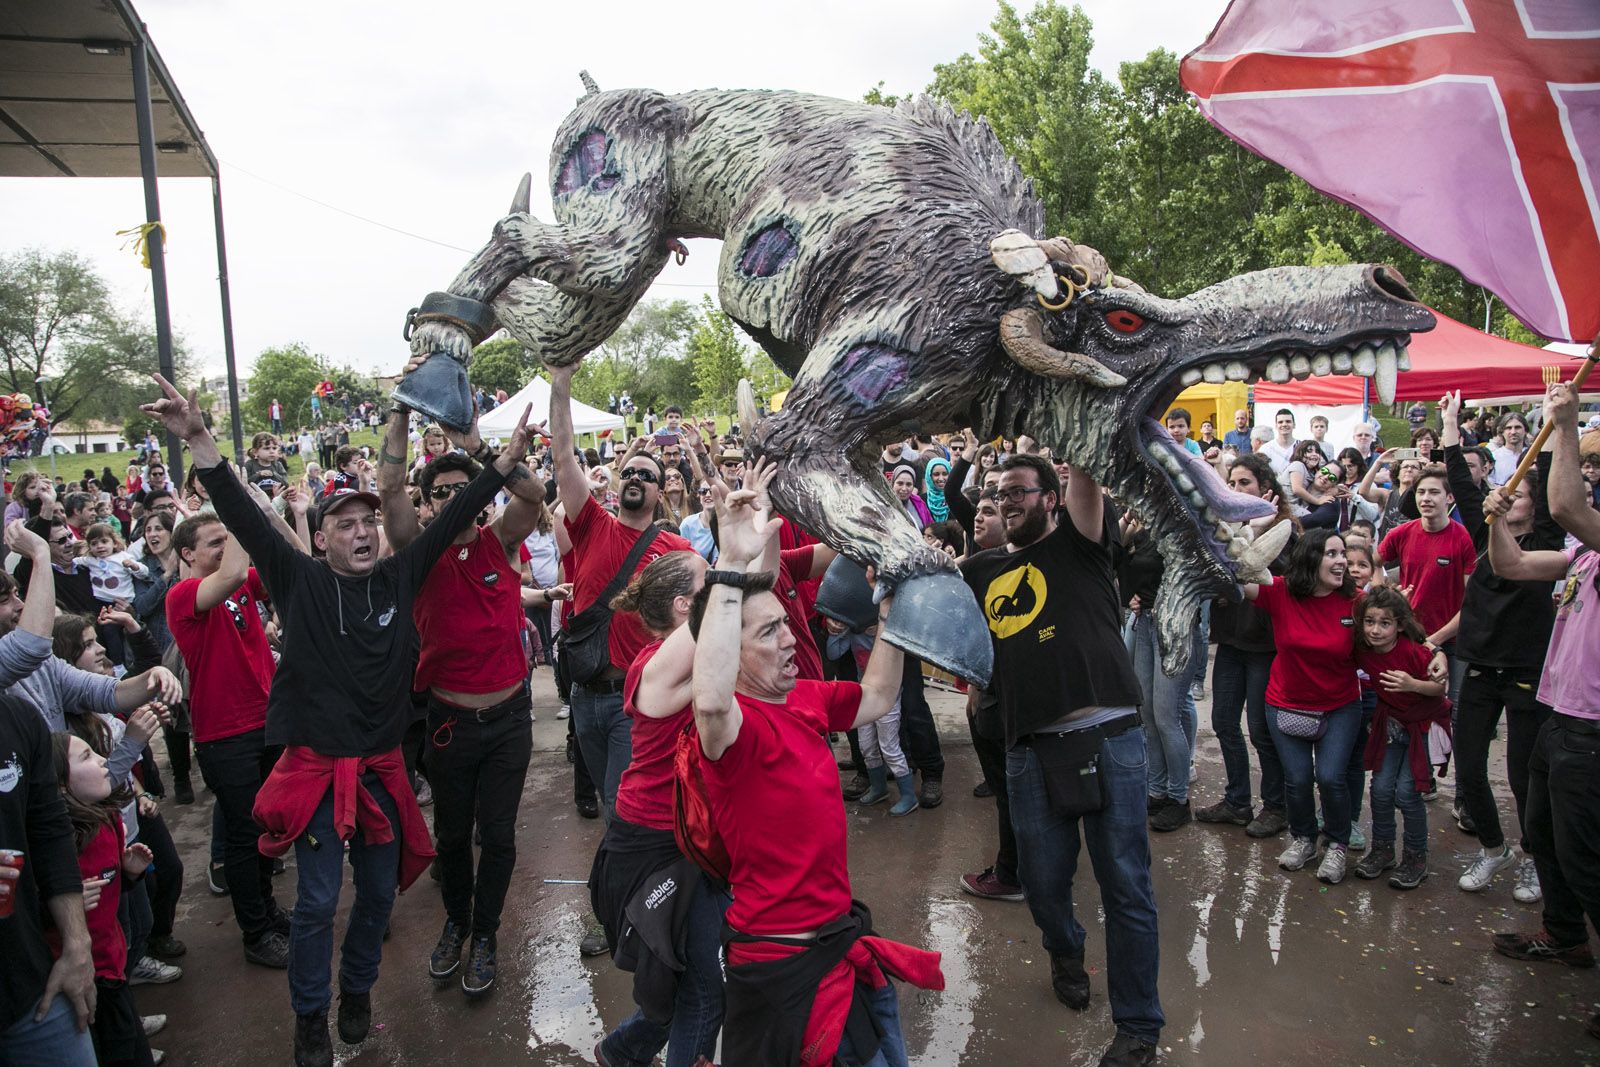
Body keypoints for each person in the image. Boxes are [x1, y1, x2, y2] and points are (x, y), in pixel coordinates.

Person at [141, 372, 535, 1067]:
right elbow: (238, 509)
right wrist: (201, 439)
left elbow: (456, 512)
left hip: (384, 770)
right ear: (321, 540)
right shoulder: (298, 582)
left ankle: (357, 993)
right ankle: (308, 1020)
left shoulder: (400, 575)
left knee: (379, 898)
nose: (359, 531)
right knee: (320, 903)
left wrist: (502, 462)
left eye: (366, 523)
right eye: (343, 524)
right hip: (317, 771)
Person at [689, 482, 942, 1067]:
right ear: (728, 647)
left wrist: (890, 616)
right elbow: (709, 701)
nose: (788, 640)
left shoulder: (805, 697)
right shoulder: (731, 730)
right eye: (767, 632)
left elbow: (877, 693)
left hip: (837, 940)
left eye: (785, 623)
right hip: (779, 968)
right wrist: (729, 563)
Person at [961, 454, 1161, 1066]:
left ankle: (1138, 1028)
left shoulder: (1082, 542)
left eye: (1018, 490)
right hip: (1030, 750)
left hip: (1112, 739)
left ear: (1051, 496)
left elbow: (1088, 472)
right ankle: (1065, 949)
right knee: (1044, 884)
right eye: (996, 492)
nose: (1004, 500)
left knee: (1126, 887)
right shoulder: (980, 570)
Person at [377, 409, 547, 1000]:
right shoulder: (418, 551)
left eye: (462, 487)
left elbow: (534, 492)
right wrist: (399, 413)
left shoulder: (502, 541)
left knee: (497, 836)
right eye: (443, 492)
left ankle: (486, 935)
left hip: (507, 722)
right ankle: (455, 923)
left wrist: (479, 449)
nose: (454, 498)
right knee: (452, 837)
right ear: (429, 504)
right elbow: (389, 488)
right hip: (448, 722)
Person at [1482, 383, 1600, 1027]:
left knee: (1586, 852)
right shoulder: (1585, 550)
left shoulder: (1593, 532)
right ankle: (1564, 933)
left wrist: (1564, 425)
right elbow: (1514, 566)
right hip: (1560, 717)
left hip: (1594, 729)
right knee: (1545, 836)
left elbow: (1563, 503)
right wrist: (1498, 518)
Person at [590, 549, 729, 1067]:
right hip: (656, 847)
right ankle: (624, 1050)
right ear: (681, 607)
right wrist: (735, 554)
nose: (718, 585)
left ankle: (621, 1050)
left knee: (684, 979)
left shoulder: (696, 653)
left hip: (692, 839)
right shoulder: (654, 667)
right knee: (705, 988)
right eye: (707, 581)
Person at [1441, 391, 1561, 897]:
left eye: (1521, 494)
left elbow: (1557, 485)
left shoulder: (1549, 544)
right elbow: (1461, 483)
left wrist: (1557, 426)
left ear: (1536, 504)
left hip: (1527, 670)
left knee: (1523, 776)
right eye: (1504, 493)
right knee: (1468, 769)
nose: (1509, 497)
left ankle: (1534, 856)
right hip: (1478, 665)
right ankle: (1494, 849)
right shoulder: (1483, 528)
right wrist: (1450, 423)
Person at [1240, 530, 1403, 884]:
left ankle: (1338, 844)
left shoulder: (1359, 602)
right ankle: (1303, 839)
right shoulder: (1280, 591)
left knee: (1331, 778)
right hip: (1285, 703)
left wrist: (1431, 655)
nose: (1342, 560)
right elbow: (1236, 579)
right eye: (1332, 553)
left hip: (1340, 706)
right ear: (1310, 558)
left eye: (1343, 553)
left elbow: (1401, 631)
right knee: (1297, 780)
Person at [166, 513, 291, 969]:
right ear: (187, 555)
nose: (224, 547)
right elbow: (236, 570)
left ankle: (269, 913)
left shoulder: (238, 584)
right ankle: (255, 933)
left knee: (263, 829)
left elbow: (288, 562)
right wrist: (234, 507)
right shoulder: (183, 596)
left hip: (267, 723)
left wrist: (279, 513)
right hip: (225, 735)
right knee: (243, 836)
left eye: (226, 538)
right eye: (213, 542)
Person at [1195, 454, 1294, 837]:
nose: (1235, 491)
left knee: (1260, 729)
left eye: (1244, 484)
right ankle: (1237, 801)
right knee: (1222, 721)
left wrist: (1256, 528)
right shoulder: (1221, 532)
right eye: (1231, 484)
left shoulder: (1284, 531)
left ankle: (1276, 805)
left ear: (1266, 490)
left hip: (1265, 647)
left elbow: (1280, 582)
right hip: (1232, 642)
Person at [52, 732, 162, 1067]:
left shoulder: (109, 819)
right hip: (86, 976)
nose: (102, 762)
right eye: (86, 757)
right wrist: (55, 905)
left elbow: (111, 889)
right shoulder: (58, 845)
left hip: (113, 966)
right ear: (59, 785)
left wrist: (129, 873)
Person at [1350, 586, 1450, 888]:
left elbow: (1440, 690)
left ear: (1400, 625)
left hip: (1423, 726)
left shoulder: (1414, 651)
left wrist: (1412, 684)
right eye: (1370, 622)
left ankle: (1416, 857)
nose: (1376, 630)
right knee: (1380, 790)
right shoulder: (1363, 650)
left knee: (1407, 793)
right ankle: (1382, 849)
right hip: (1391, 724)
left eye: (1385, 623)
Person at [957, 483, 1026, 901]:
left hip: (1014, 704)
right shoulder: (976, 567)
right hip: (987, 696)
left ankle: (1012, 875)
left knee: (1014, 793)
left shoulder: (1045, 563)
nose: (981, 517)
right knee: (1008, 792)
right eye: (979, 510)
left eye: (992, 511)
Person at [1489, 411, 1530, 486]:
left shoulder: (1532, 456)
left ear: (1526, 431)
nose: (1513, 432)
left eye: (1517, 427)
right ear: (1502, 432)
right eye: (1509, 428)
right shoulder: (1493, 457)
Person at [1261, 408, 1298, 475]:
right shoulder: (1266, 449)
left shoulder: (1301, 447)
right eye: (1280, 422)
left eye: (1288, 421)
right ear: (1276, 426)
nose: (1284, 424)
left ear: (1294, 425)